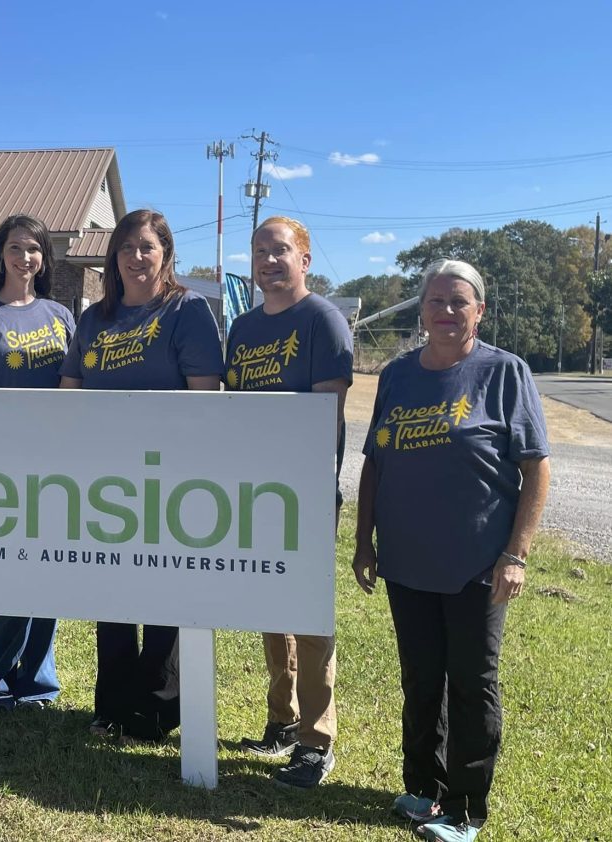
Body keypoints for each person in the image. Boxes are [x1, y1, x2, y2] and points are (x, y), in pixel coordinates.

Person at [352, 259, 550, 842]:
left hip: (477, 567)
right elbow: (375, 463)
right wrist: (365, 541)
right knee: (420, 678)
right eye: (435, 300)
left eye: (458, 301)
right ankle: (423, 787)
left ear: (479, 311)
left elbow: (536, 469)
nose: (444, 311)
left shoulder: (504, 372)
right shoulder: (396, 375)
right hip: (407, 562)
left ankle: (465, 808)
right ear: (422, 309)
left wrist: (516, 555)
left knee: (471, 682)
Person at [60, 208, 222, 741]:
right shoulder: (94, 318)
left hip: (168, 478)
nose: (135, 256)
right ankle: (111, 705)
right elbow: (70, 396)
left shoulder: (187, 310)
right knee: (111, 589)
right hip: (104, 481)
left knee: (163, 587)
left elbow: (205, 401)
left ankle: (155, 708)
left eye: (146, 247)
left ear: (166, 254)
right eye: (126, 247)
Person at [224, 216, 352, 788]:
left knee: (308, 612)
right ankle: (282, 721)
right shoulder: (243, 328)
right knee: (270, 605)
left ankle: (316, 741)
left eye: (280, 251)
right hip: (255, 490)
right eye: (259, 251)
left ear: (304, 259)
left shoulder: (322, 320)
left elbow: (325, 415)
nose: (268, 260)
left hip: (303, 490)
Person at [0, 213, 75, 710]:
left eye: (34, 249)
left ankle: (39, 683)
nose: (26, 258)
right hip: (3, 467)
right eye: (16, 248)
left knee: (49, 573)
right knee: (11, 573)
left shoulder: (61, 316)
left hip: (58, 465)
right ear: (0, 255)